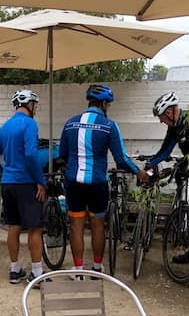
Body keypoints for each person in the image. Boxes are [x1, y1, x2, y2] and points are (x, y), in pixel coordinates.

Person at [59, 84, 148, 276]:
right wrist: (138, 172)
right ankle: (97, 267)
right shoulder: (109, 126)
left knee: (76, 225)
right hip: (97, 183)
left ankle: (77, 270)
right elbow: (122, 159)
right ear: (105, 103)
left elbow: (62, 155)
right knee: (98, 225)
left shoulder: (69, 123)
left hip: (73, 183)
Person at [148, 91, 189, 263]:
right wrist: (150, 163)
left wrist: (183, 162)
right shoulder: (174, 127)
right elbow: (166, 150)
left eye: (161, 117)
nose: (161, 121)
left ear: (169, 112)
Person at [0, 89, 47, 284]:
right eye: (35, 105)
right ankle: (37, 273)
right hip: (25, 183)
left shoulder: (4, 127)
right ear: (30, 105)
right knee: (35, 228)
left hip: (7, 183)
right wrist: (40, 180)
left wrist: (5, 172)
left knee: (13, 226)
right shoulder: (29, 124)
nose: (36, 108)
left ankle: (15, 270)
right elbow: (32, 155)